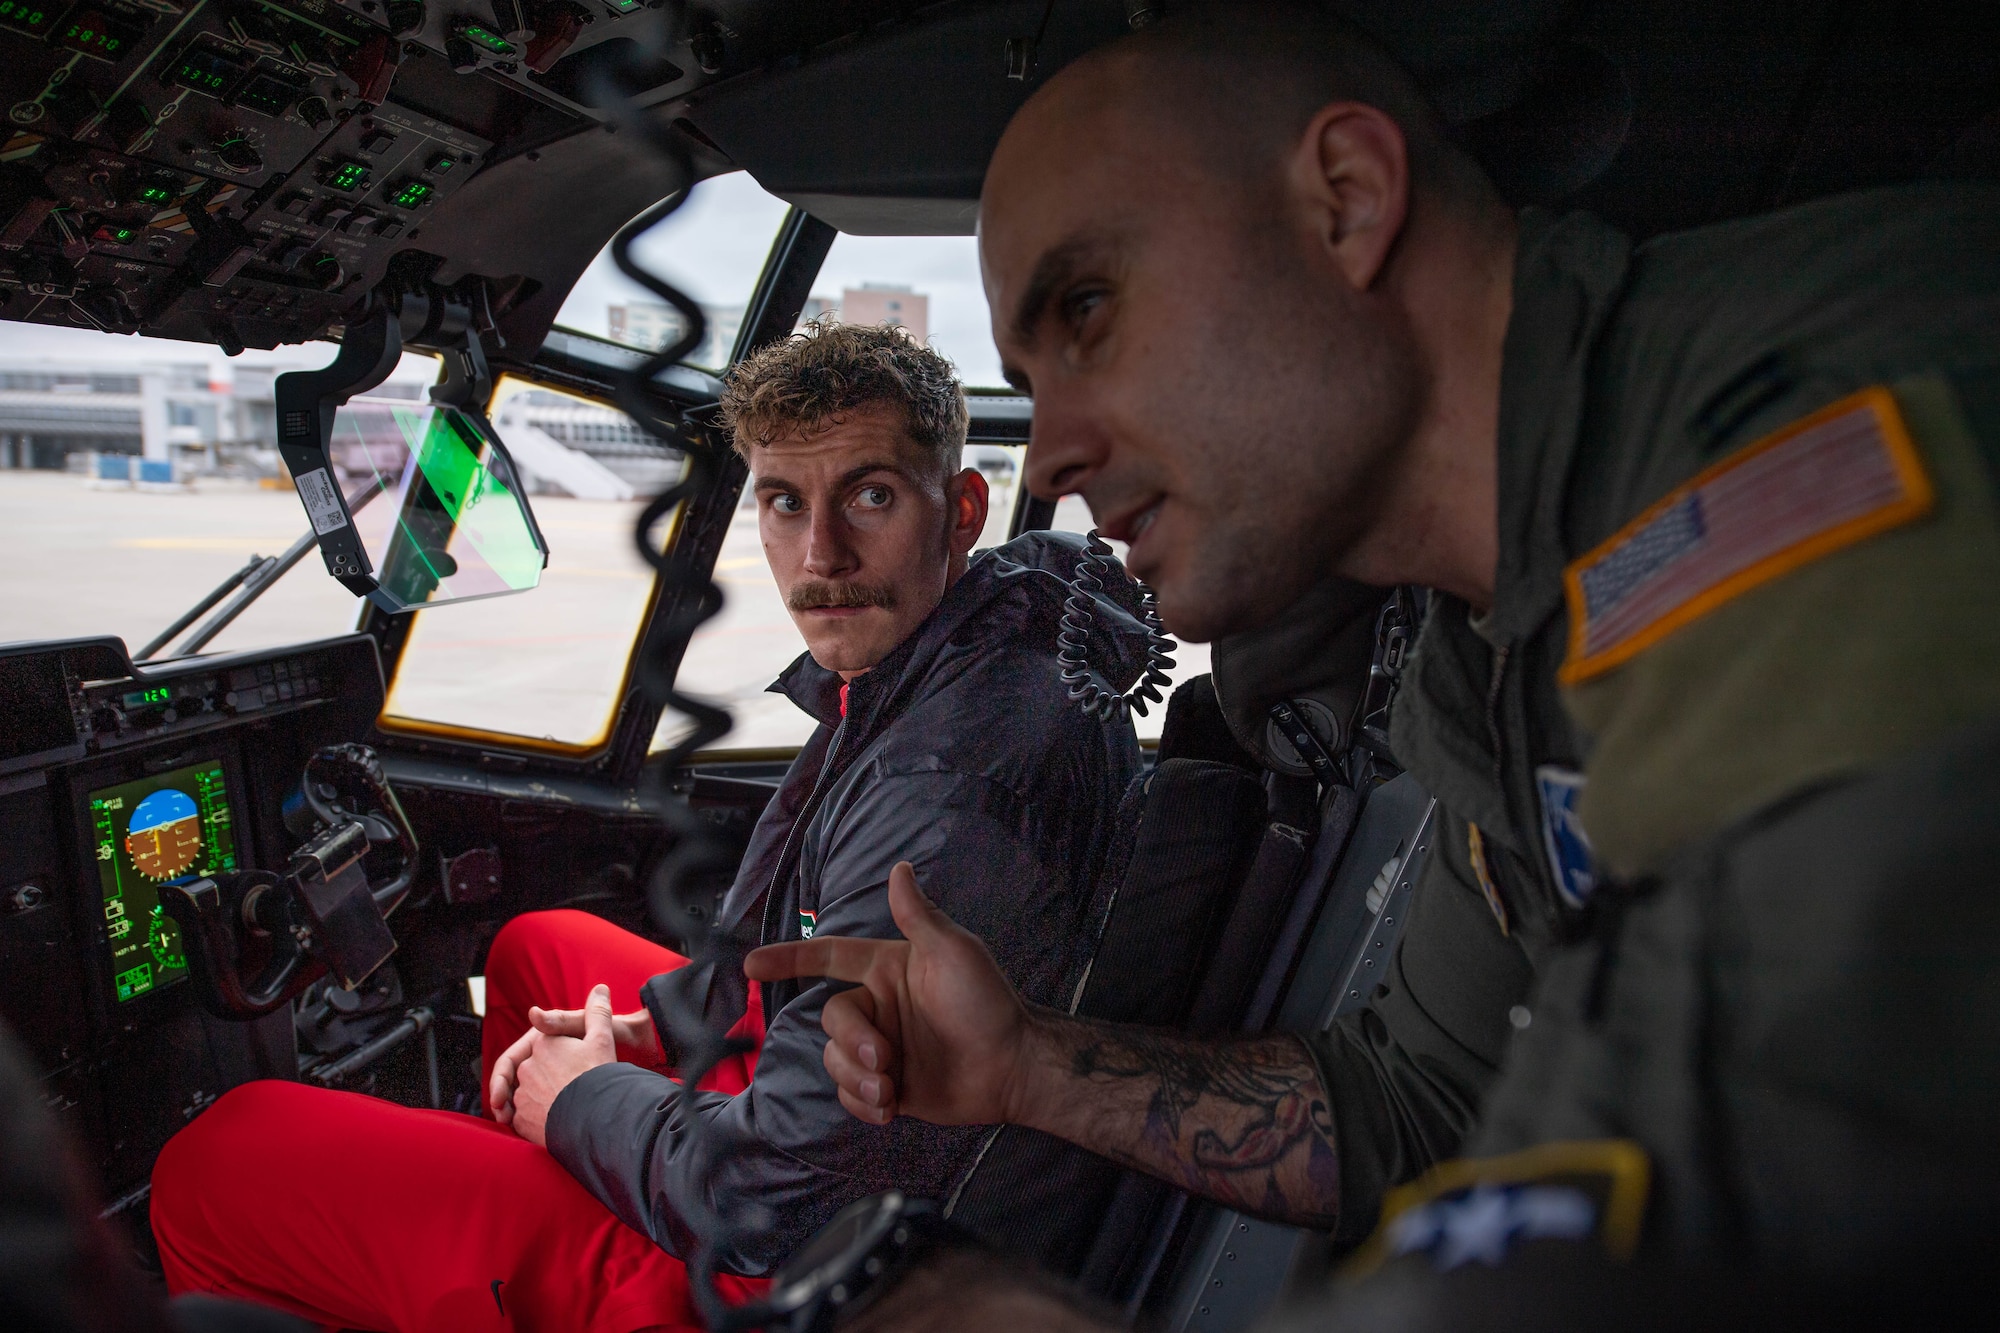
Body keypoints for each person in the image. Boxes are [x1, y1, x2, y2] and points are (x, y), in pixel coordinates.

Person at [747, 0, 2000, 1314]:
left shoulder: (1810, 419)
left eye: (1091, 309)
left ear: (1344, 199)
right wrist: (1023, 1067)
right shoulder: (1483, 646)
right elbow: (1409, 1099)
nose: (1050, 452)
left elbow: (1779, 1198)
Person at [148, 321, 1148, 1332]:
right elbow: (812, 948)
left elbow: (773, 1205)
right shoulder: (958, 657)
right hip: (882, 1153)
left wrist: (583, 1102)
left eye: (871, 495)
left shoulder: (947, 784)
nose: (822, 554)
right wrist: (648, 1032)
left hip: (814, 1271)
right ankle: (518, 1223)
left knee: (218, 1154)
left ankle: (558, 1262)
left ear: (962, 508)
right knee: (539, 950)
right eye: (785, 502)